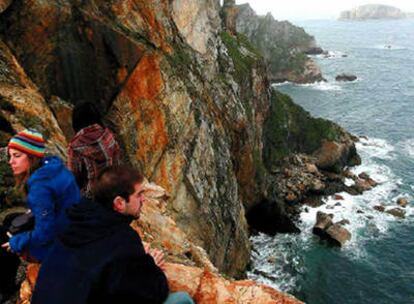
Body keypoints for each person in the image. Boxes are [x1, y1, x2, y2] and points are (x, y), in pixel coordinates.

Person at [31, 165, 193, 304]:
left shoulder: (71, 221)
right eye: (138, 194)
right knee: (181, 300)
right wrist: (152, 267)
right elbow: (155, 292)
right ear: (119, 203)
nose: (143, 199)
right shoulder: (122, 239)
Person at [0, 129, 80, 301]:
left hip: (61, 243)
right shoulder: (52, 167)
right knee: (10, 220)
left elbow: (45, 232)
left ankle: (5, 287)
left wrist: (17, 241)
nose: (10, 161)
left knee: (5, 236)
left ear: (31, 157)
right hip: (72, 228)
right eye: (10, 156)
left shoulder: (39, 187)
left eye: (16, 156)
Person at [68, 101, 121, 198]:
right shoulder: (109, 136)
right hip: (113, 192)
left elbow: (72, 178)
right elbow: (117, 166)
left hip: (91, 197)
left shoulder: (75, 146)